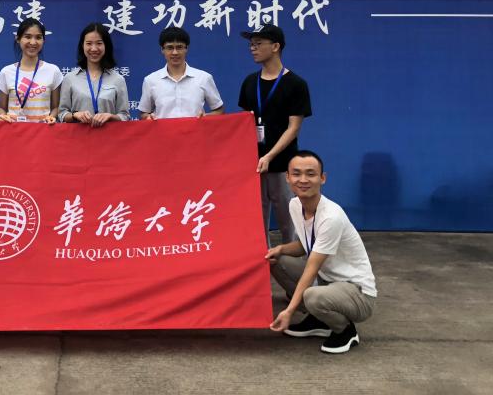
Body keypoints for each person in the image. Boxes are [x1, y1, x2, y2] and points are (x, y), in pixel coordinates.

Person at [266, 150, 377, 354]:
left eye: (310, 174)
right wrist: (280, 249)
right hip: (328, 282)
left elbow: (312, 267)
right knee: (276, 260)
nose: (303, 180)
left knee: (312, 296)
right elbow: (306, 245)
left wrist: (289, 311)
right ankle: (319, 319)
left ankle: (345, 330)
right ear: (287, 177)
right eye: (296, 173)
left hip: (358, 293)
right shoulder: (295, 205)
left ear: (322, 178)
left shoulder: (331, 216)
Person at [238, 23, 311, 247]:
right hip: (254, 163)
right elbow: (244, 122)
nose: (253, 48)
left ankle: (294, 260)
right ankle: (263, 260)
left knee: (288, 215)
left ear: (276, 46)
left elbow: (294, 127)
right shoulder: (250, 82)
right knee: (256, 215)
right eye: (251, 44)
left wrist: (269, 156)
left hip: (282, 163)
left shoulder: (296, 84)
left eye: (258, 43)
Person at [138, 26, 223, 120]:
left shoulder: (204, 78)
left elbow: (219, 110)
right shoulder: (150, 80)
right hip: (163, 130)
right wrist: (148, 117)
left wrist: (206, 117)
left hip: (195, 130)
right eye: (170, 48)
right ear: (162, 49)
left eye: (179, 47)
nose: (175, 52)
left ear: (186, 48)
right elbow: (143, 113)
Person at [58, 22, 130, 126]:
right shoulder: (70, 78)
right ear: (82, 46)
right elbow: (62, 114)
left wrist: (110, 116)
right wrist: (75, 115)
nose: (94, 48)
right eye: (89, 43)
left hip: (109, 136)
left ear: (106, 46)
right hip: (78, 136)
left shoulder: (118, 79)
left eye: (99, 43)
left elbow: (125, 116)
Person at [0, 18, 62, 123]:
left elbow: (56, 108)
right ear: (18, 39)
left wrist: (52, 116)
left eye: (38, 37)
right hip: (13, 130)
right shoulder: (6, 72)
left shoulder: (53, 71)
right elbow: (1, 108)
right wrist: (2, 115)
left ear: (43, 40)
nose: (33, 42)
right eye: (27, 37)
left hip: (42, 130)